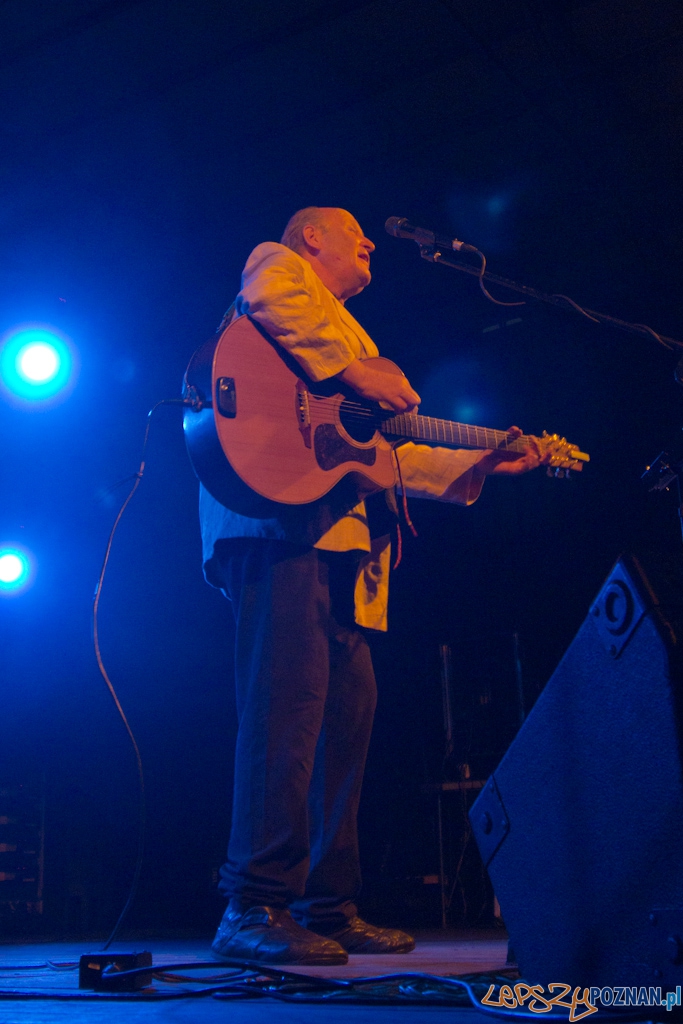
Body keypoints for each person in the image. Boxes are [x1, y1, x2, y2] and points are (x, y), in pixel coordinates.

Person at [200, 207, 548, 965]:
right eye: (351, 231)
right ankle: (251, 905)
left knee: (343, 723)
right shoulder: (279, 269)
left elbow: (381, 452)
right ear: (310, 237)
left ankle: (326, 906)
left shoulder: (346, 336)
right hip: (280, 523)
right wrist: (355, 370)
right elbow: (270, 294)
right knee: (285, 712)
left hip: (340, 541)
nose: (368, 244)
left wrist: (484, 459)